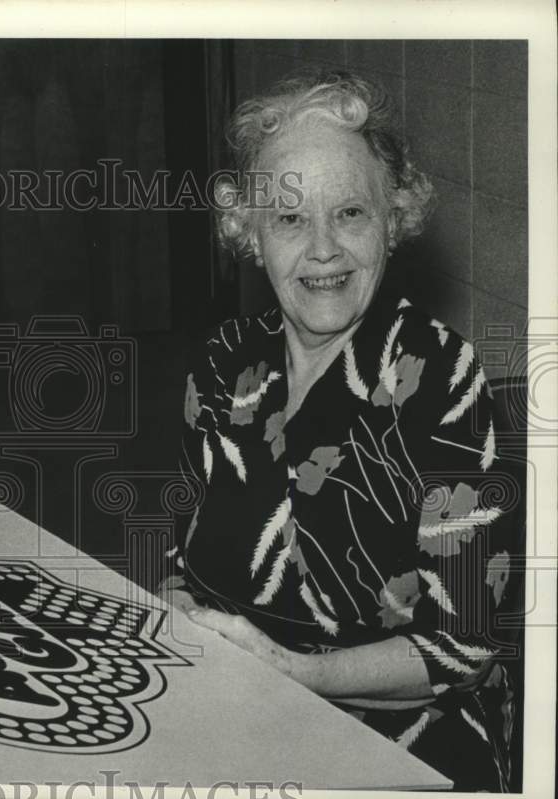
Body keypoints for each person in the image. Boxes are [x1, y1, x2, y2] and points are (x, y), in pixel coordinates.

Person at [165, 70, 517, 791]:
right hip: (236, 723)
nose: (323, 249)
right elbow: (184, 565)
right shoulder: (221, 362)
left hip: (406, 747)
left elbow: (464, 646)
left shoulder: (442, 378)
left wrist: (297, 674)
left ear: (393, 218)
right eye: (290, 219)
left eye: (350, 212)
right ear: (249, 232)